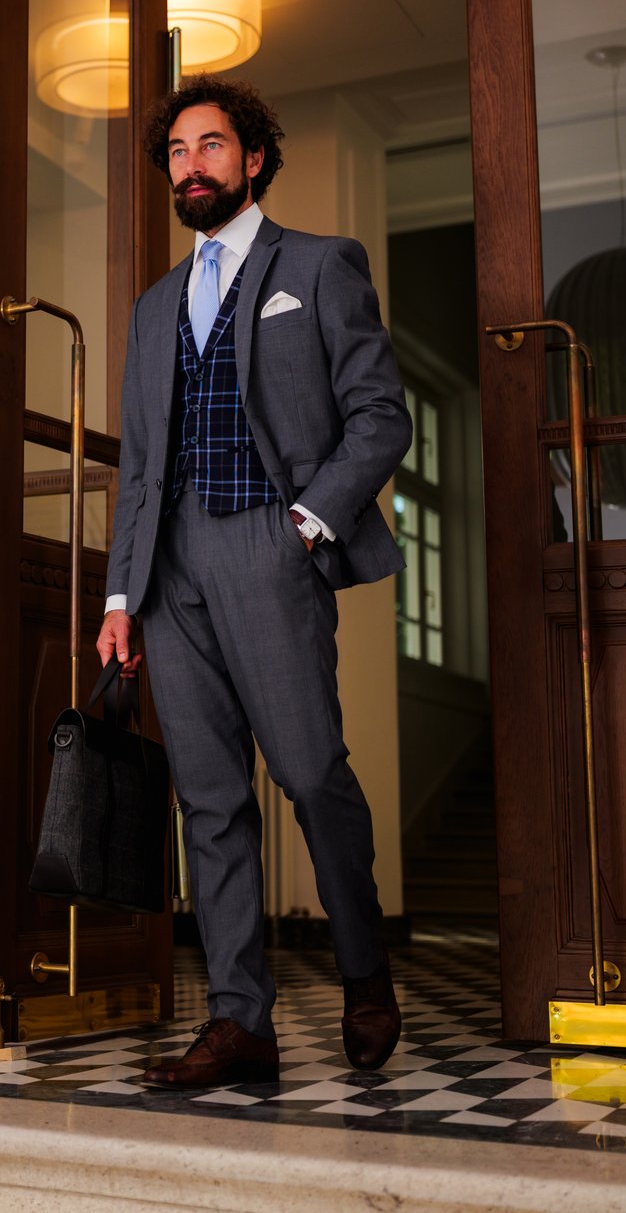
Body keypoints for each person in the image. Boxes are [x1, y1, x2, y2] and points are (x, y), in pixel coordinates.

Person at [97, 75, 410, 1089]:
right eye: (179, 151)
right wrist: (118, 598)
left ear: (254, 158)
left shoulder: (319, 267)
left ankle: (364, 971)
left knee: (312, 773)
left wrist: (308, 524)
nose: (193, 164)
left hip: (273, 548)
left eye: (212, 145)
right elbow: (141, 464)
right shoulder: (152, 309)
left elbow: (379, 417)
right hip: (171, 568)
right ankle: (241, 1022)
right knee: (212, 800)